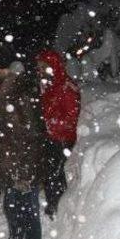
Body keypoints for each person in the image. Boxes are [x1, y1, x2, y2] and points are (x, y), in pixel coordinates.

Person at [0, 50, 47, 239]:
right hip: (14, 162)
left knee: (29, 213)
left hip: (25, 165)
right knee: (11, 206)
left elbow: (31, 134)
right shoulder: (11, 90)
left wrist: (24, 170)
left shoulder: (19, 93)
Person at [36, 49, 81, 219]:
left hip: (62, 139)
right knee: (50, 173)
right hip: (51, 136)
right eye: (38, 67)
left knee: (53, 173)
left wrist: (49, 124)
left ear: (52, 66)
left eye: (43, 67)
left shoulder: (66, 87)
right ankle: (54, 204)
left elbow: (70, 117)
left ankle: (57, 206)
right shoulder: (50, 85)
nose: (39, 71)